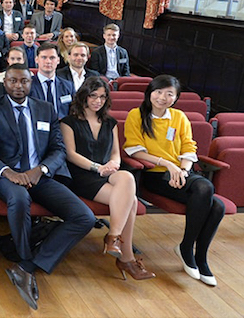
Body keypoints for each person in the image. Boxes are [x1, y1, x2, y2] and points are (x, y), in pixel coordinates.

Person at [0, 64, 94, 310]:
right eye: (13, 81)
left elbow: (58, 149)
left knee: (84, 217)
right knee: (19, 200)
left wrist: (40, 170)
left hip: (40, 175)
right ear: (4, 83)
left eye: (24, 81)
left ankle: (27, 267)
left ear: (31, 83)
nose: (19, 86)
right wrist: (7, 172)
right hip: (6, 177)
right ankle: (24, 258)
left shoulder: (46, 109)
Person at [124, 75, 224, 287]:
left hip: (181, 173)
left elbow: (189, 148)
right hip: (153, 174)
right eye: (159, 92)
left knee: (218, 205)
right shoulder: (137, 115)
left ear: (176, 97)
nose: (163, 97)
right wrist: (168, 165)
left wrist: (183, 171)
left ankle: (198, 255)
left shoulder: (179, 117)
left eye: (169, 93)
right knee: (210, 194)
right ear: (150, 92)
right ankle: (188, 250)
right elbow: (135, 150)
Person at [60, 76, 155, 280]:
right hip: (82, 175)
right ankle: (126, 258)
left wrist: (114, 164)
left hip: (107, 173)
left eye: (102, 97)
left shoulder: (110, 122)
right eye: (93, 96)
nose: (98, 101)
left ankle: (114, 237)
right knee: (132, 200)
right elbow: (70, 154)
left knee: (127, 177)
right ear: (84, 96)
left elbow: (115, 152)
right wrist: (98, 167)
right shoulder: (68, 122)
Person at [29, 43, 74, 119]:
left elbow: (73, 111)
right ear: (36, 59)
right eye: (44, 57)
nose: (48, 61)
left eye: (52, 58)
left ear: (58, 60)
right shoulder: (28, 85)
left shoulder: (68, 86)